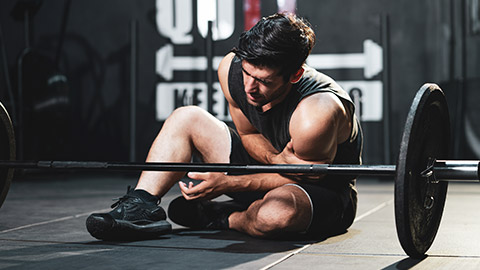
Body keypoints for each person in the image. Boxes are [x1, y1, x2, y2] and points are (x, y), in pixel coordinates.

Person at [86, 12, 362, 240]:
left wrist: (228, 183)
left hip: (319, 192)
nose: (250, 88)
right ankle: (142, 207)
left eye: (264, 81)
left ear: (295, 74)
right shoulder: (232, 68)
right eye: (248, 73)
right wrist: (275, 158)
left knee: (275, 215)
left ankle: (226, 216)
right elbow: (248, 133)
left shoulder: (316, 113)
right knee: (187, 117)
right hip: (268, 169)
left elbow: (302, 175)